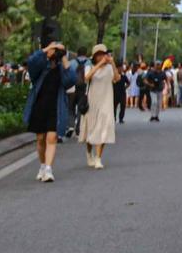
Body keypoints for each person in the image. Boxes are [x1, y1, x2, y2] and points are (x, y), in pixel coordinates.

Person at [23, 41, 72, 182]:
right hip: (39, 105)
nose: (55, 52)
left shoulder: (62, 69)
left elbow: (71, 80)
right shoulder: (40, 67)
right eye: (54, 49)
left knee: (52, 138)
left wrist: (63, 58)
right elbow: (31, 62)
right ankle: (43, 165)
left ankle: (49, 169)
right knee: (40, 139)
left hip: (55, 107)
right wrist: (46, 49)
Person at [81, 43, 119, 168]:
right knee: (91, 131)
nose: (103, 56)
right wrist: (99, 65)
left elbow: (117, 78)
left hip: (106, 101)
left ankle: (98, 158)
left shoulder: (109, 68)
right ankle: (89, 153)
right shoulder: (90, 66)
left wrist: (112, 63)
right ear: (95, 56)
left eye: (105, 54)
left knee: (104, 128)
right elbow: (86, 78)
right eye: (100, 54)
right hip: (92, 102)